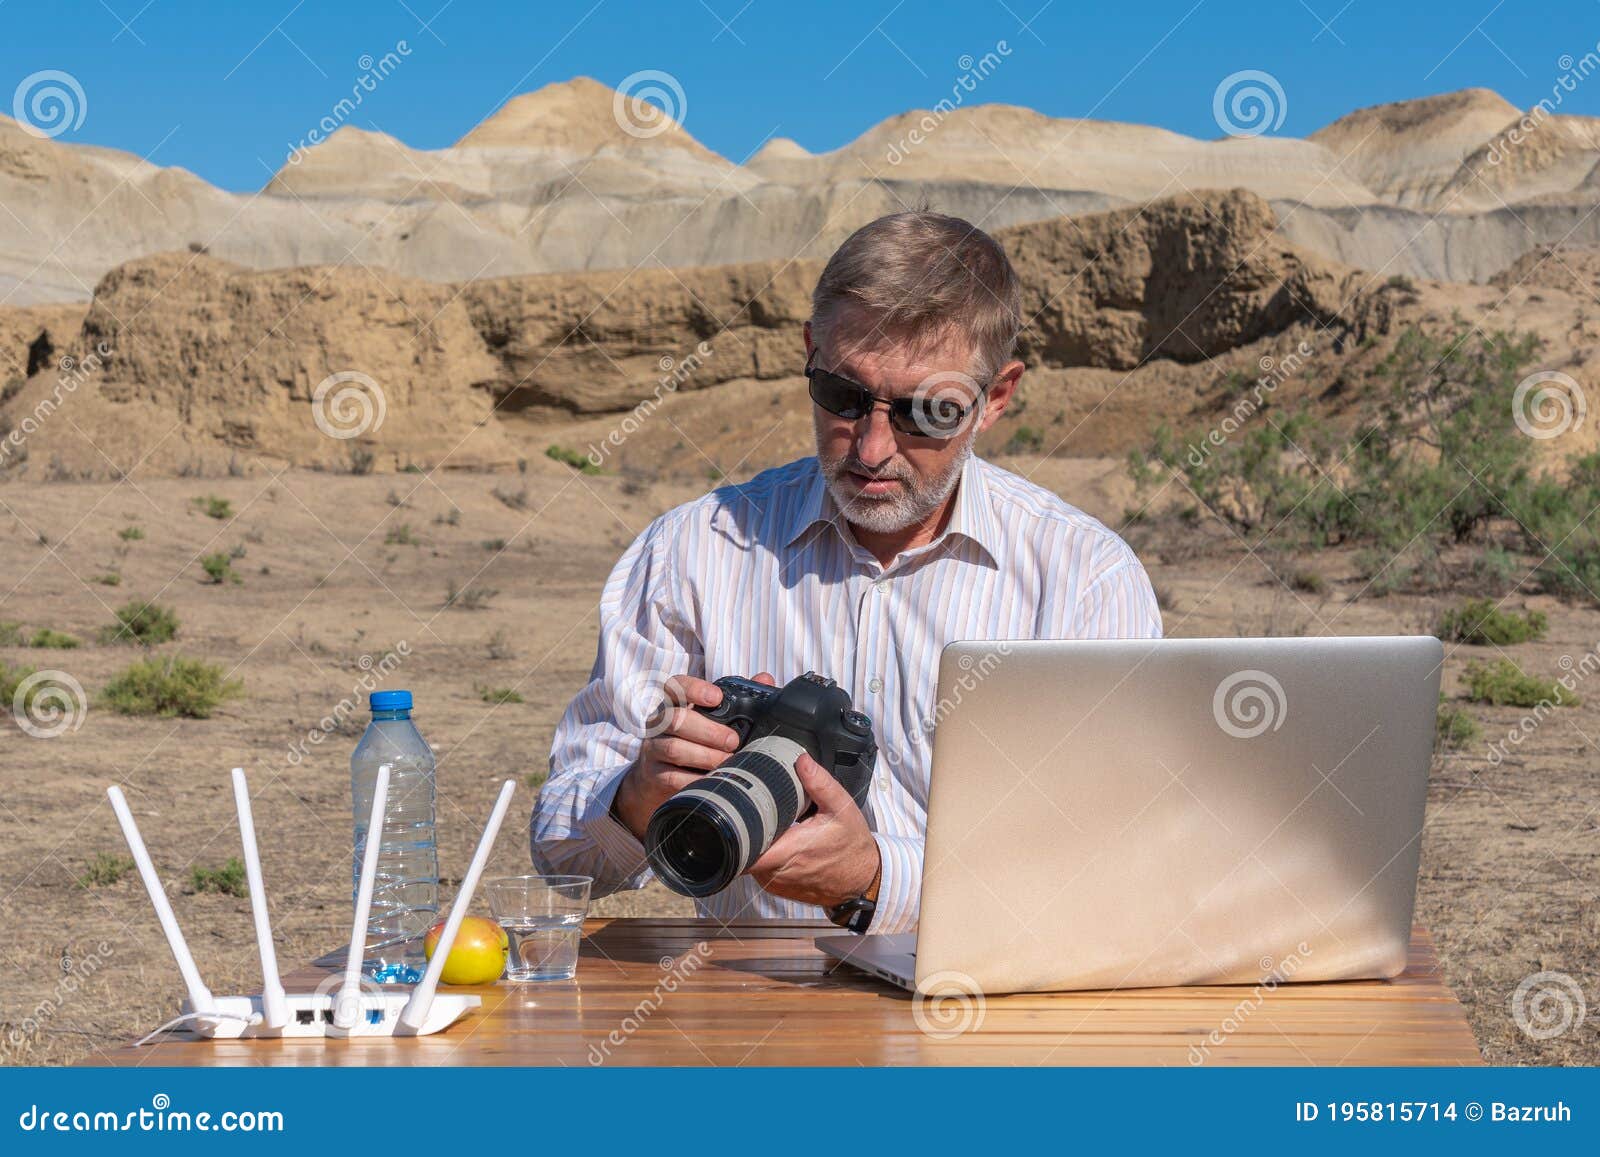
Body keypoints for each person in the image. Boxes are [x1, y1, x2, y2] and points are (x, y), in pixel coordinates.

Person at [531, 211, 1162, 933]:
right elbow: (563, 857)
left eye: (929, 411)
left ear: (996, 398)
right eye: (843, 395)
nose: (871, 446)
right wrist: (636, 795)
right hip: (740, 1013)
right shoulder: (692, 552)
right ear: (809, 352)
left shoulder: (1084, 580)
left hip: (990, 1013)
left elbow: (1117, 864)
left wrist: (876, 879)